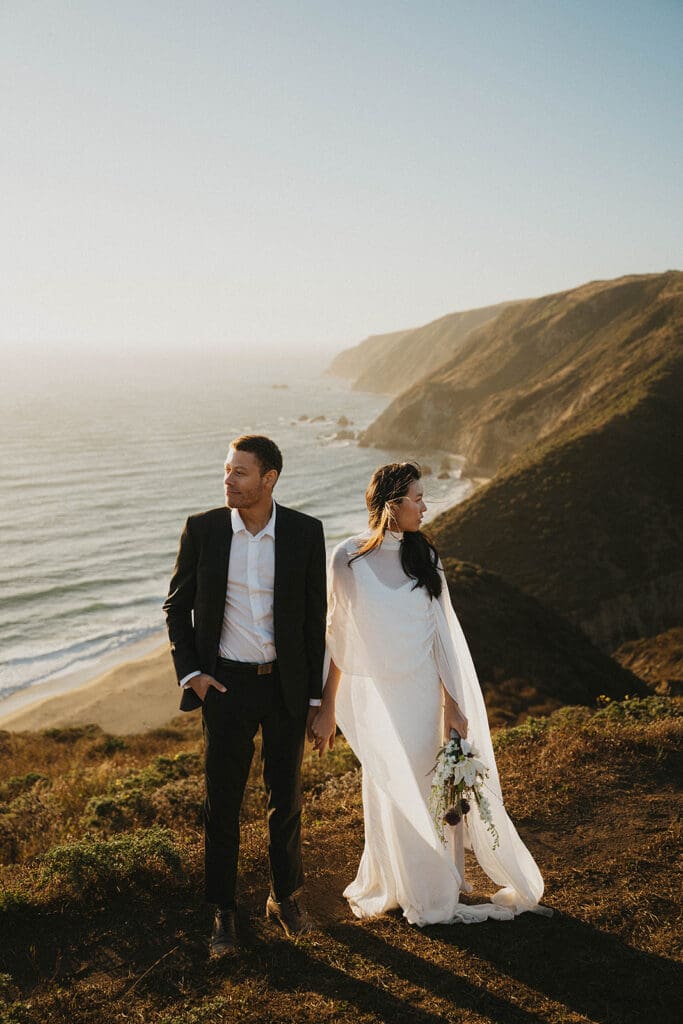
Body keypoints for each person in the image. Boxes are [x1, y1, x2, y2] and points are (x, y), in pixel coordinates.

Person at [310, 462, 551, 926]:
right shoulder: (347, 558)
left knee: (437, 786)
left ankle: (443, 881)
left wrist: (454, 705)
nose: (425, 507)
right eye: (417, 499)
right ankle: (402, 883)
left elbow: (440, 638)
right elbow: (339, 638)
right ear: (391, 505)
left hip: (425, 692)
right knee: (392, 784)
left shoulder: (426, 558)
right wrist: (325, 706)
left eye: (423, 498)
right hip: (382, 697)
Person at [163, 435, 326, 955]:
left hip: (285, 687)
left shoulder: (305, 532)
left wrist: (318, 701)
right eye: (227, 471)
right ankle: (223, 914)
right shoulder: (204, 530)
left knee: (287, 799)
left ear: (269, 479)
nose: (228, 480)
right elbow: (176, 607)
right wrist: (193, 675)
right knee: (223, 805)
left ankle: (285, 897)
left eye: (240, 473)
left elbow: (313, 622)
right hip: (226, 687)